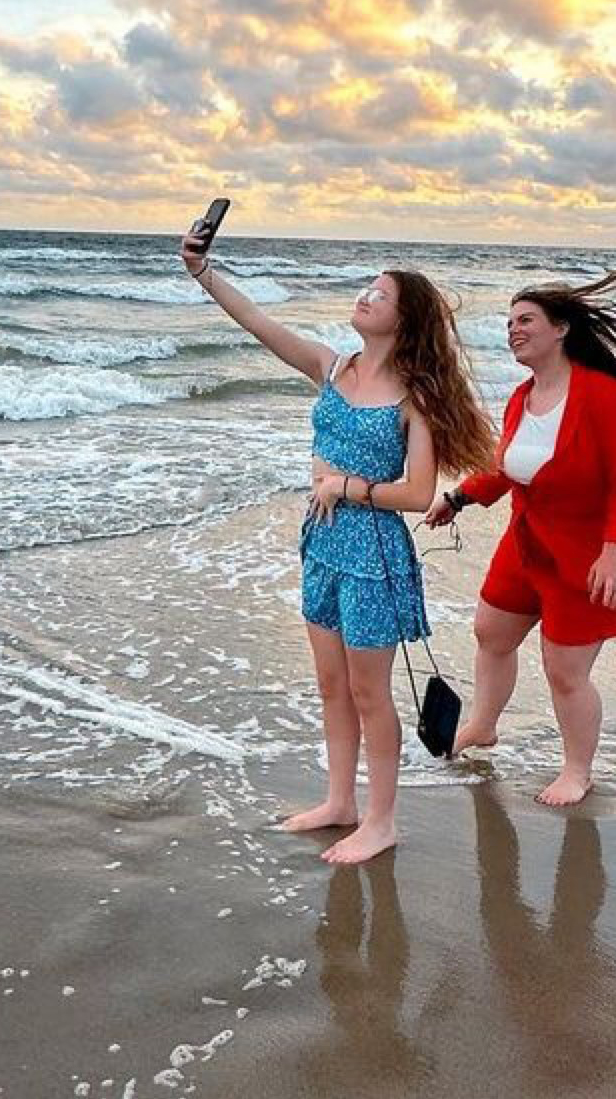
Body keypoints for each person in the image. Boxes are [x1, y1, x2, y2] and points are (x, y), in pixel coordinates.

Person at [180, 228, 496, 864]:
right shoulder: (332, 367)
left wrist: (346, 487)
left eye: (380, 294)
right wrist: (202, 272)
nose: (365, 297)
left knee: (369, 692)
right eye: (366, 288)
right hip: (321, 545)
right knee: (331, 685)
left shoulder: (414, 399)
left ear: (403, 320)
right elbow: (259, 324)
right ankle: (339, 803)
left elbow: (417, 493)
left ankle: (381, 821)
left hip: (374, 555)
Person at [426, 265, 616, 807]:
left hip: (588, 555)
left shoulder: (603, 397)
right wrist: (459, 498)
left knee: (565, 671)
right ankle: (483, 725)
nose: (514, 330)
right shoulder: (522, 397)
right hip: (527, 543)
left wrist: (615, 554)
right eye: (509, 323)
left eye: (526, 320)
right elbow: (507, 466)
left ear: (561, 329)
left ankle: (577, 771)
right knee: (491, 631)